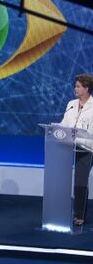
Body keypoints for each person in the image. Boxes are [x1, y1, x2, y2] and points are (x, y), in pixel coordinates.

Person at [60, 74, 93, 226]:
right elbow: (64, 124)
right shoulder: (71, 104)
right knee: (75, 181)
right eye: (75, 86)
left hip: (87, 148)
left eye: (79, 86)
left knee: (81, 180)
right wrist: (54, 129)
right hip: (70, 146)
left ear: (86, 88)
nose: (75, 88)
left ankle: (79, 215)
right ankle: (69, 211)